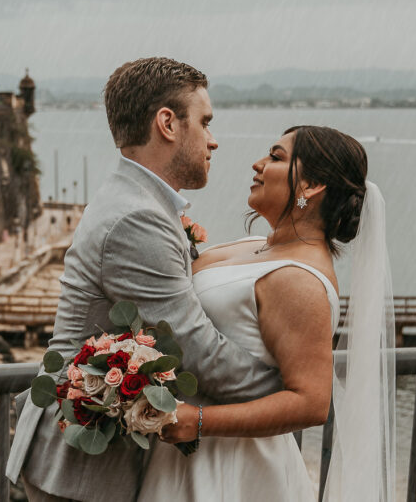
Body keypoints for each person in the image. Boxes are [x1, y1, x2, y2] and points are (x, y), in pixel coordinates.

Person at [6, 57, 283, 501]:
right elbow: (192, 349)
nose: (214, 141)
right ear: (168, 124)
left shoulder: (135, 200)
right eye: (205, 123)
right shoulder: (138, 218)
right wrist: (291, 395)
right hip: (83, 469)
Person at [140, 125, 396, 501]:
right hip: (181, 453)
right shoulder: (255, 245)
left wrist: (196, 422)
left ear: (310, 186)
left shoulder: (299, 280)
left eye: (276, 157)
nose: (258, 165)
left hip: (233, 468)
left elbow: (310, 402)